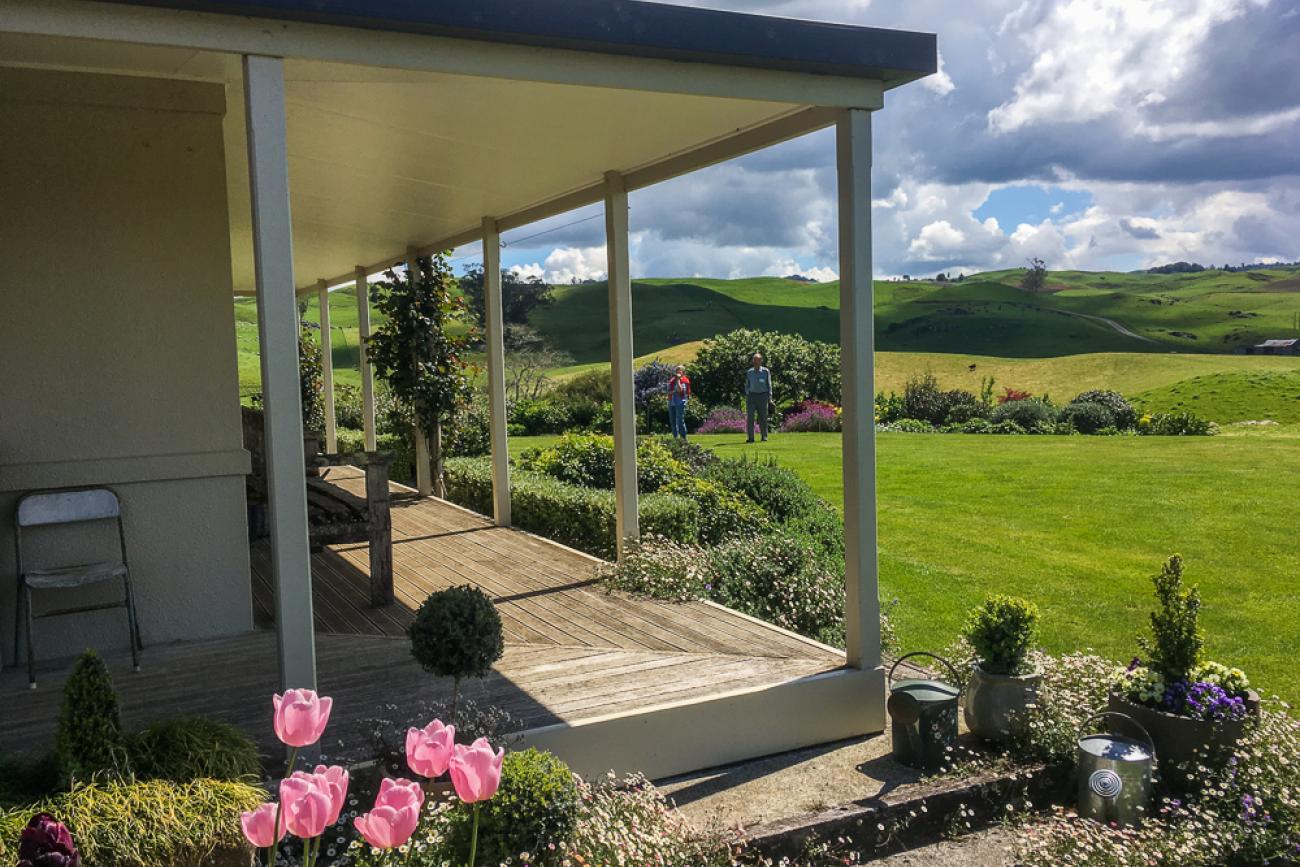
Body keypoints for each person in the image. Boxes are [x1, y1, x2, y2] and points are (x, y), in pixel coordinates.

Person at [744, 352, 773, 443]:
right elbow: (747, 384)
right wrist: (747, 392)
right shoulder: (750, 372)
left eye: (758, 360)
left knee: (763, 418)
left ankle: (764, 437)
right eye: (754, 360)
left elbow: (769, 385)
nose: (756, 362)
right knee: (750, 417)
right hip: (751, 396)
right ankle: (751, 438)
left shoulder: (765, 371)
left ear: (761, 361)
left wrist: (770, 397)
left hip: (762, 396)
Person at [666, 364, 691, 440]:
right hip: (671, 402)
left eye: (680, 371)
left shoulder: (684, 380)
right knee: (673, 421)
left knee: (680, 421)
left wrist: (678, 380)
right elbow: (668, 391)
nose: (678, 372)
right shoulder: (671, 380)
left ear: (683, 372)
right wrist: (673, 391)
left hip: (680, 402)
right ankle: (675, 439)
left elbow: (680, 390)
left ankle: (683, 439)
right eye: (677, 371)